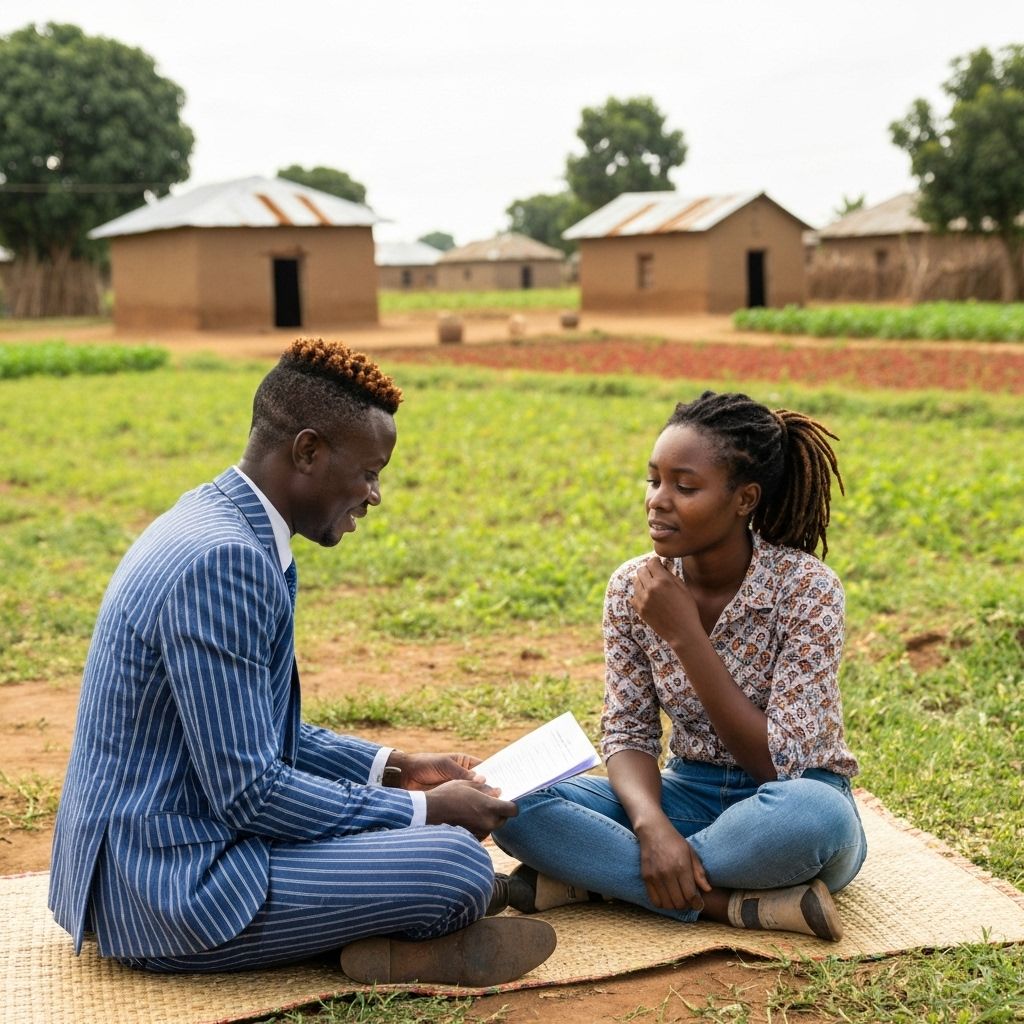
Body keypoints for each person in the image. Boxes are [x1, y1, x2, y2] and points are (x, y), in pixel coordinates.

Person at [48, 338, 555, 985]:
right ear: (308, 450)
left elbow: (254, 733)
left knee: (428, 845)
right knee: (453, 864)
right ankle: (389, 943)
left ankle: (380, 938)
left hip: (161, 852)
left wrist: (396, 768)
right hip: (165, 890)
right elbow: (250, 791)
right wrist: (426, 811)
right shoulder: (223, 563)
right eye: (369, 472)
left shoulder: (224, 526)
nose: (374, 495)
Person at [493, 390, 867, 941]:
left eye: (685, 486)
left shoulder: (807, 589)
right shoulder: (631, 585)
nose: (658, 501)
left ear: (744, 499)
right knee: (511, 801)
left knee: (816, 817)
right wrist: (651, 828)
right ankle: (729, 905)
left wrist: (686, 634)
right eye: (654, 481)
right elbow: (628, 731)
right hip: (684, 795)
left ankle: (594, 880)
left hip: (787, 802)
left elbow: (776, 764)